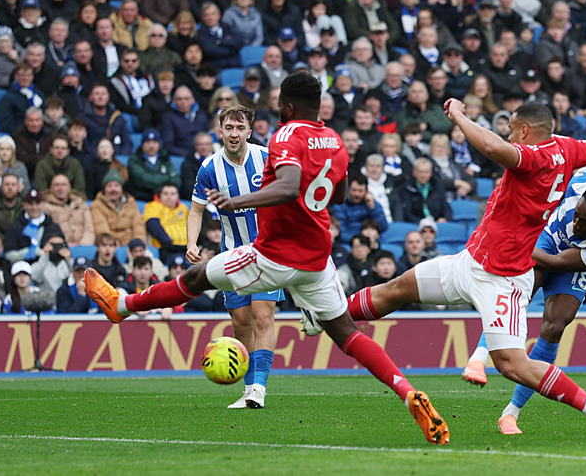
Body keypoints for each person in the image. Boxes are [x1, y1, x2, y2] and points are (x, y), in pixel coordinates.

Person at [84, 72, 451, 445]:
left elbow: (288, 186)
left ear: (287, 107)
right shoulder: (334, 139)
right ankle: (408, 393)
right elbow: (338, 196)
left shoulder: (284, 137)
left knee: (197, 278)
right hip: (317, 259)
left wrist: (237, 202)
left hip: (273, 255)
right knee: (347, 334)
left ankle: (122, 305)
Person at [338, 99, 586, 440]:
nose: (509, 136)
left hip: (503, 278)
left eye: (512, 130)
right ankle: (328, 314)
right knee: (397, 289)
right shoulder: (570, 149)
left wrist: (459, 116)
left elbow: (492, 147)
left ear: (525, 130)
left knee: (512, 365)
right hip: (470, 261)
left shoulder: (532, 158)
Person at [459, 168, 586, 436]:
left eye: (585, 222)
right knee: (519, 294)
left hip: (570, 260)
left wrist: (517, 246)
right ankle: (478, 359)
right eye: (576, 215)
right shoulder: (583, 181)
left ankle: (511, 413)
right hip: (547, 238)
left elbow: (556, 263)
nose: (576, 224)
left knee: (555, 326)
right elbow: (584, 158)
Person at [185, 104, 285, 407]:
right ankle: (249, 387)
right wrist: (191, 243)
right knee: (241, 322)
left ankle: (259, 389)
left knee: (262, 316)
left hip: (267, 251)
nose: (234, 133)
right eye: (229, 128)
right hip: (233, 255)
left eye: (240, 128)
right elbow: (196, 210)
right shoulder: (209, 168)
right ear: (220, 131)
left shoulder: (266, 158)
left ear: (249, 132)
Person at [3, 189, 65, 263]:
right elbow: (9, 255)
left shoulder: (53, 227)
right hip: (22, 266)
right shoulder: (14, 227)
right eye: (30, 203)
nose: (34, 207)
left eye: (37, 203)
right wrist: (32, 252)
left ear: (43, 204)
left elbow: (64, 250)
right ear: (24, 205)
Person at [90, 169, 145, 246]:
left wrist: (137, 246)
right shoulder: (97, 205)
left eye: (116, 185)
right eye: (109, 186)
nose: (113, 189)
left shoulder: (131, 204)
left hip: (131, 246)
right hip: (109, 247)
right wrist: (113, 246)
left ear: (121, 188)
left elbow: (138, 227)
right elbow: (101, 229)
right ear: (104, 189)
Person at [127, 129, 181, 202]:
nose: (151, 146)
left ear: (159, 144)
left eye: (154, 142)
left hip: (164, 199)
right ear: (142, 145)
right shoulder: (134, 159)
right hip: (142, 198)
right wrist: (166, 178)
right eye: (148, 142)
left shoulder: (165, 158)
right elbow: (145, 180)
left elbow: (176, 180)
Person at [332, 174, 389, 243]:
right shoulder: (340, 205)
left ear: (366, 191)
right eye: (354, 190)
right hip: (349, 242)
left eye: (360, 191)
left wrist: (372, 208)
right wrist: (359, 240)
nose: (356, 194)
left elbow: (383, 227)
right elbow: (340, 230)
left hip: (371, 241)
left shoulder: (374, 205)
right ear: (349, 189)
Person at [43, 174, 95, 247]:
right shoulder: (45, 207)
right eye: (57, 185)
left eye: (64, 184)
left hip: (83, 246)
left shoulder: (81, 204)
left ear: (69, 187)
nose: (60, 188)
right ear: (51, 188)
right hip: (60, 247)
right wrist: (63, 245)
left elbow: (89, 229)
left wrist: (81, 246)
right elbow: (48, 232)